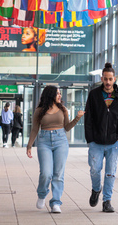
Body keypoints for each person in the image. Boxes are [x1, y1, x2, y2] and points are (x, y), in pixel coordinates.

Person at [26, 86, 84, 214]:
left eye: (60, 94)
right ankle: (42, 194)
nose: (60, 96)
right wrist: (29, 145)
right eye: (57, 93)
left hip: (61, 141)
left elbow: (67, 127)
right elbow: (35, 129)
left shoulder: (63, 109)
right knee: (46, 173)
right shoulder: (39, 111)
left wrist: (77, 117)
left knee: (58, 174)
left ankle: (56, 202)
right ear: (50, 95)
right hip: (44, 141)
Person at [85, 62, 118, 213]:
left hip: (113, 143)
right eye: (105, 79)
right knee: (94, 170)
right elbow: (89, 118)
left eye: (110, 79)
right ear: (102, 78)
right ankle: (96, 189)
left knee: (110, 172)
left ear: (115, 79)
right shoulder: (94, 95)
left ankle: (107, 201)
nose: (108, 82)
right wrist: (90, 139)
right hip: (96, 142)